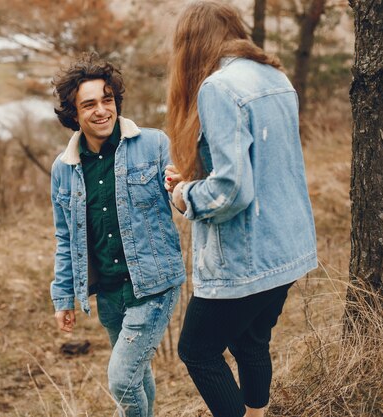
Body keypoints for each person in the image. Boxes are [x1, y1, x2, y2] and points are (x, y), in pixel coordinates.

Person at [164, 2, 318, 417]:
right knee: (250, 342)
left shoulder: (218, 87)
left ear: (192, 43)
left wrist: (184, 196)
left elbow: (232, 190)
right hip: (288, 249)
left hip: (246, 258)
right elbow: (262, 166)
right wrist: (196, 173)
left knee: (196, 351)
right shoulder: (275, 76)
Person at [49, 53, 185, 417]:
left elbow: (184, 202)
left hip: (155, 284)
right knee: (136, 375)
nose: (101, 111)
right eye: (89, 104)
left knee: (122, 379)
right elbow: (65, 238)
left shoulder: (155, 144)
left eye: (107, 100)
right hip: (109, 292)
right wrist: (63, 296)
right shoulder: (63, 169)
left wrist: (181, 189)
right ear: (73, 114)